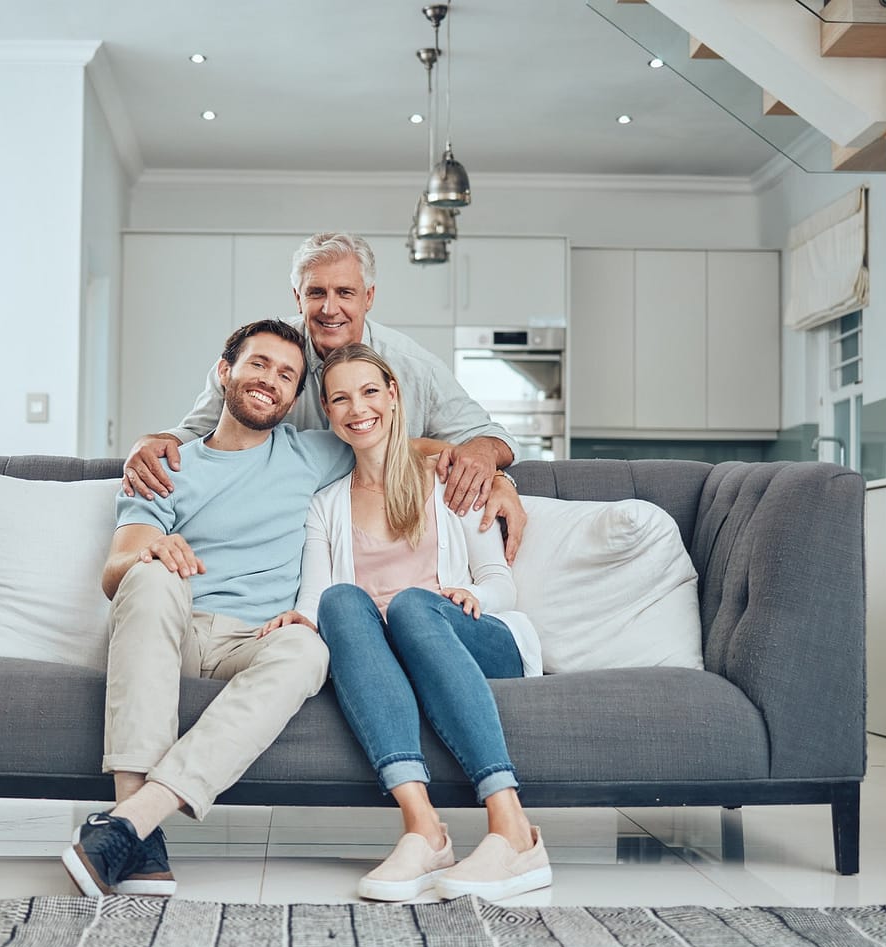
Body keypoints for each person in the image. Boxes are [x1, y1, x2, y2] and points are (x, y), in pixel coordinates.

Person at [64, 318, 355, 898]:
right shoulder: (165, 466)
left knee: (308, 647)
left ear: (296, 397)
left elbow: (408, 449)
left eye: (286, 375)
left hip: (255, 641)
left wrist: (491, 474)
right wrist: (151, 549)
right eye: (258, 364)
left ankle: (131, 825)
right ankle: (133, 826)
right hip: (176, 629)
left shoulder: (314, 454)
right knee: (147, 576)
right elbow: (113, 573)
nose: (270, 381)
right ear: (224, 372)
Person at [289, 342, 552, 904]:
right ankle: (424, 831)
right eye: (340, 398)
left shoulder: (449, 479)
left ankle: (514, 832)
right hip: (389, 655)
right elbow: (315, 601)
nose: (357, 408)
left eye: (368, 391)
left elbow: (501, 582)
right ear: (329, 414)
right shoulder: (325, 504)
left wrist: (469, 594)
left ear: (393, 395)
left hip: (473, 636)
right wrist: (292, 623)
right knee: (340, 600)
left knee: (411, 604)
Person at [121, 231, 530, 562]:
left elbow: (488, 437)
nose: (329, 308)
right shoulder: (264, 356)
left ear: (368, 297)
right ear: (297, 297)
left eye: (345, 293)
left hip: (383, 532)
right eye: (316, 293)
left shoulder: (412, 366)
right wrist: (152, 442)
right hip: (287, 541)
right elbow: (196, 432)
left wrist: (494, 474)